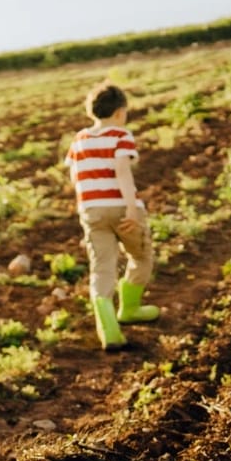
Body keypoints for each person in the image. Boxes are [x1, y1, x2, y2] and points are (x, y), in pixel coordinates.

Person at [63, 82, 160, 349]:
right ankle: (129, 309)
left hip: (91, 210)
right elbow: (122, 173)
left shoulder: (79, 140)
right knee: (141, 256)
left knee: (102, 267)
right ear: (119, 112)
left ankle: (109, 332)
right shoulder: (120, 135)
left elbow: (74, 177)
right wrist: (131, 209)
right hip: (121, 207)